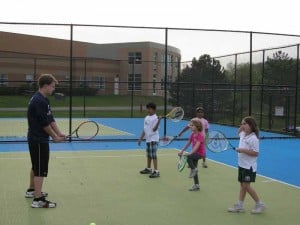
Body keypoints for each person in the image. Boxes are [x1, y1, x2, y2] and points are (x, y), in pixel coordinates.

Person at [25, 74, 65, 208]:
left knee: (36, 166)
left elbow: (50, 119)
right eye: (53, 86)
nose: (54, 89)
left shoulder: (44, 99)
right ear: (46, 86)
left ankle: (31, 190)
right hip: (38, 139)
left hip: (36, 138)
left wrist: (59, 133)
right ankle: (38, 200)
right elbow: (45, 124)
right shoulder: (39, 101)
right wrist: (54, 137)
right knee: (40, 169)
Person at [228, 116, 266, 214]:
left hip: (249, 167)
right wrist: (243, 123)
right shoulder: (243, 134)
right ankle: (240, 206)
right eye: (242, 124)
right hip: (241, 165)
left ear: (251, 125)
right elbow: (238, 132)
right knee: (242, 185)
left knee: (246, 186)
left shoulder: (253, 138)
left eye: (245, 124)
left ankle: (259, 204)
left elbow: (256, 153)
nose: (242, 126)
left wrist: (242, 150)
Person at [178, 118, 205, 191]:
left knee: (188, 157)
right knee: (194, 170)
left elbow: (197, 146)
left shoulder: (200, 135)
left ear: (197, 126)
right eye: (190, 125)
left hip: (200, 154)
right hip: (195, 153)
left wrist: (190, 153)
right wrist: (182, 151)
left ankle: (193, 168)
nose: (190, 126)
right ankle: (197, 185)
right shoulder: (192, 134)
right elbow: (188, 143)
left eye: (192, 125)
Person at [138, 102, 162, 178]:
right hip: (148, 139)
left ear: (154, 110)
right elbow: (145, 129)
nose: (148, 110)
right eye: (147, 108)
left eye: (150, 109)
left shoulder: (155, 118)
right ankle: (148, 169)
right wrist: (141, 138)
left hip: (154, 139)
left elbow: (154, 129)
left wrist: (159, 121)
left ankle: (156, 171)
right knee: (148, 155)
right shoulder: (146, 117)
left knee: (153, 155)